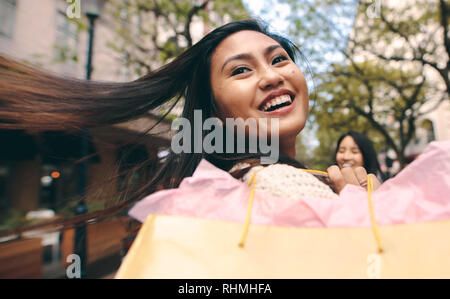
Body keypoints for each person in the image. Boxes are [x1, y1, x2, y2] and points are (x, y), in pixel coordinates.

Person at [0, 19, 381, 212]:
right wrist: (364, 211)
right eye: (240, 70)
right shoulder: (278, 184)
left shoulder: (238, 182)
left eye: (279, 59)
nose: (272, 76)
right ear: (213, 114)